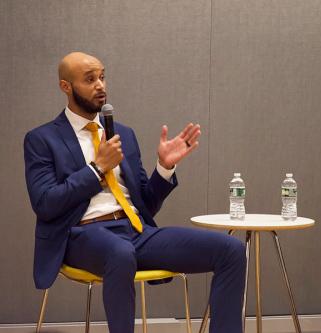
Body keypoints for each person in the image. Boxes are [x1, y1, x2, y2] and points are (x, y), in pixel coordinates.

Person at [24, 52, 246, 333]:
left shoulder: (123, 135)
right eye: (90, 79)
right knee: (120, 253)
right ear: (66, 87)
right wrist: (96, 169)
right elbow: (45, 203)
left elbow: (146, 204)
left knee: (232, 250)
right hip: (81, 235)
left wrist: (165, 168)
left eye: (103, 77)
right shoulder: (42, 139)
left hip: (135, 232)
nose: (100, 85)